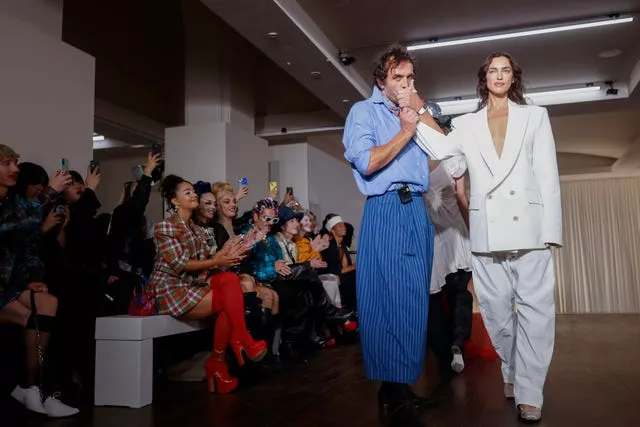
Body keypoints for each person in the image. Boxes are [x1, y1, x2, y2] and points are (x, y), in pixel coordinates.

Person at [408, 52, 562, 422]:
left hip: (529, 229)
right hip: (486, 231)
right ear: (484, 78)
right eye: (493, 70)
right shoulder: (467, 123)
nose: (499, 74)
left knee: (536, 314)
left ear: (514, 78)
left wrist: (552, 229)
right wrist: (417, 107)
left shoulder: (534, 116)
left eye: (505, 69)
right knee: (496, 315)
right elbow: (441, 147)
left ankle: (530, 392)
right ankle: (511, 369)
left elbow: (547, 172)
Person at [342, 44, 433, 427]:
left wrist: (420, 111)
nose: (405, 84)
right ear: (381, 80)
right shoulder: (363, 112)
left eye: (410, 78)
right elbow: (367, 162)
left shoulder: (415, 109)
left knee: (414, 299)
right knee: (388, 298)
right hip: (387, 207)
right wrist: (405, 131)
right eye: (398, 78)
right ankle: (393, 387)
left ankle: (400, 383)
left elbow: (447, 147)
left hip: (418, 210)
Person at [147, 175, 267, 394]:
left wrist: (230, 252)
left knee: (230, 279)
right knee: (229, 301)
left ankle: (229, 349)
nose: (194, 195)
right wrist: (219, 260)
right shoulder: (165, 227)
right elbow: (181, 264)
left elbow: (208, 260)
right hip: (172, 289)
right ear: (175, 201)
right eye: (187, 193)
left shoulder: (196, 228)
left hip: (194, 283)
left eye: (193, 191)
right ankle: (227, 352)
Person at [0, 144, 79, 417]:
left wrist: (32, 279)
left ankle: (34, 388)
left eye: (15, 163)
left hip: (9, 286)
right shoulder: (14, 207)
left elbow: (25, 247)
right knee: (37, 318)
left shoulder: (13, 201)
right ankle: (33, 387)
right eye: (7, 163)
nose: (15, 169)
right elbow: (11, 226)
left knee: (49, 304)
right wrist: (50, 193)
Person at [423, 157, 473, 378]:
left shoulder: (415, 160)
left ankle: (441, 353)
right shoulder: (455, 160)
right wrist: (473, 232)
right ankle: (458, 344)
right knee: (460, 293)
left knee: (434, 299)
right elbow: (462, 197)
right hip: (456, 233)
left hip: (432, 237)